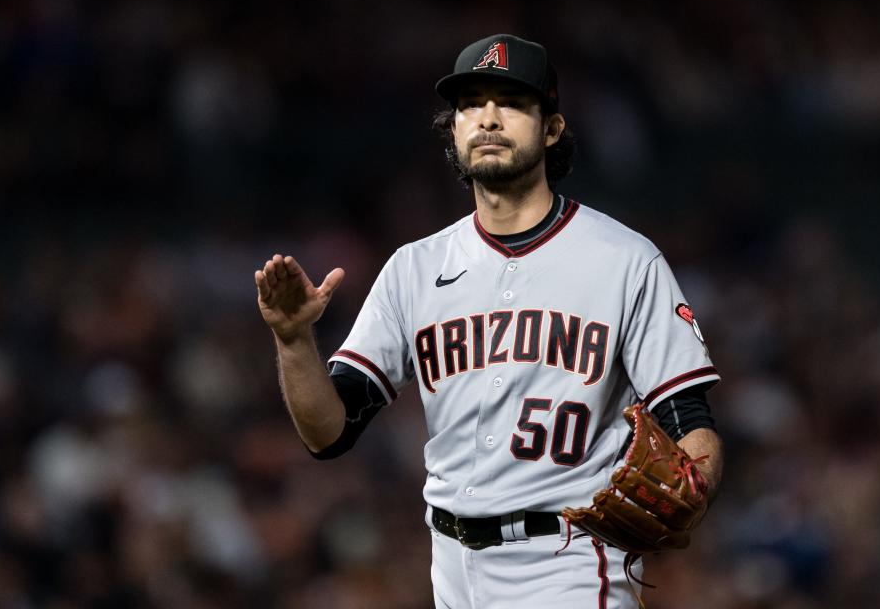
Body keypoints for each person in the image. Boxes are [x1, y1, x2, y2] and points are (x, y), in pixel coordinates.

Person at [255, 34, 723, 608]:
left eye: (512, 102)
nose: (489, 118)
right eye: (471, 104)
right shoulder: (413, 268)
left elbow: (686, 415)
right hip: (451, 566)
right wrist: (294, 339)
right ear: (453, 130)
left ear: (552, 129)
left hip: (569, 562)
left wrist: (693, 482)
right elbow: (328, 433)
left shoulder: (625, 260)